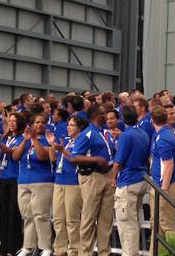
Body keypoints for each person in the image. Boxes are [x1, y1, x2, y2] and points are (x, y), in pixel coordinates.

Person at [70, 105, 115, 256]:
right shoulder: (87, 133)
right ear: (96, 116)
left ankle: (104, 252)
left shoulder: (105, 132)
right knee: (89, 218)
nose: (107, 116)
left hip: (107, 175)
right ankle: (85, 253)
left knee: (106, 219)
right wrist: (95, 159)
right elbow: (74, 157)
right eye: (103, 113)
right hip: (92, 177)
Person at [11, 114, 54, 256]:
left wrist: (35, 139)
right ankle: (28, 246)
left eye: (42, 122)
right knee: (28, 216)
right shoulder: (24, 139)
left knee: (41, 215)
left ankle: (45, 247)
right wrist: (25, 140)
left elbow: (42, 156)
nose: (40, 124)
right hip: (23, 181)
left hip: (42, 181)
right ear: (31, 125)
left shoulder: (48, 139)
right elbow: (15, 157)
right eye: (37, 122)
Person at [112, 105, 150, 256]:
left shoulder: (126, 136)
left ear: (122, 118)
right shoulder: (144, 133)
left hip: (128, 181)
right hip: (141, 179)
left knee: (127, 224)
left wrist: (113, 178)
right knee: (134, 221)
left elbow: (117, 162)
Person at [48, 117, 87, 256]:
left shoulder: (82, 141)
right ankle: (60, 249)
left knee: (72, 219)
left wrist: (62, 149)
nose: (69, 127)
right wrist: (52, 145)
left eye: (72, 125)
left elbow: (75, 159)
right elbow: (53, 159)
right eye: (68, 125)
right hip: (59, 180)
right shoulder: (67, 140)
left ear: (80, 127)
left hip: (73, 183)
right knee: (58, 218)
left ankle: (74, 250)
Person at [149, 106, 175, 253]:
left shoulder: (163, 138)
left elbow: (168, 165)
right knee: (156, 225)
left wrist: (163, 189)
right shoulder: (167, 134)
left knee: (167, 224)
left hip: (165, 185)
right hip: (161, 183)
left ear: (152, 120)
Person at [0, 113, 25, 256]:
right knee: (4, 213)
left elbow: (12, 153)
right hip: (4, 177)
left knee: (14, 213)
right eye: (9, 121)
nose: (11, 123)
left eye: (14, 121)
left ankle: (13, 248)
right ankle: (4, 247)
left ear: (19, 123)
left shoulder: (21, 138)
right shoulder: (8, 138)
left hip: (16, 178)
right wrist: (4, 134)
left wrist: (0, 143)